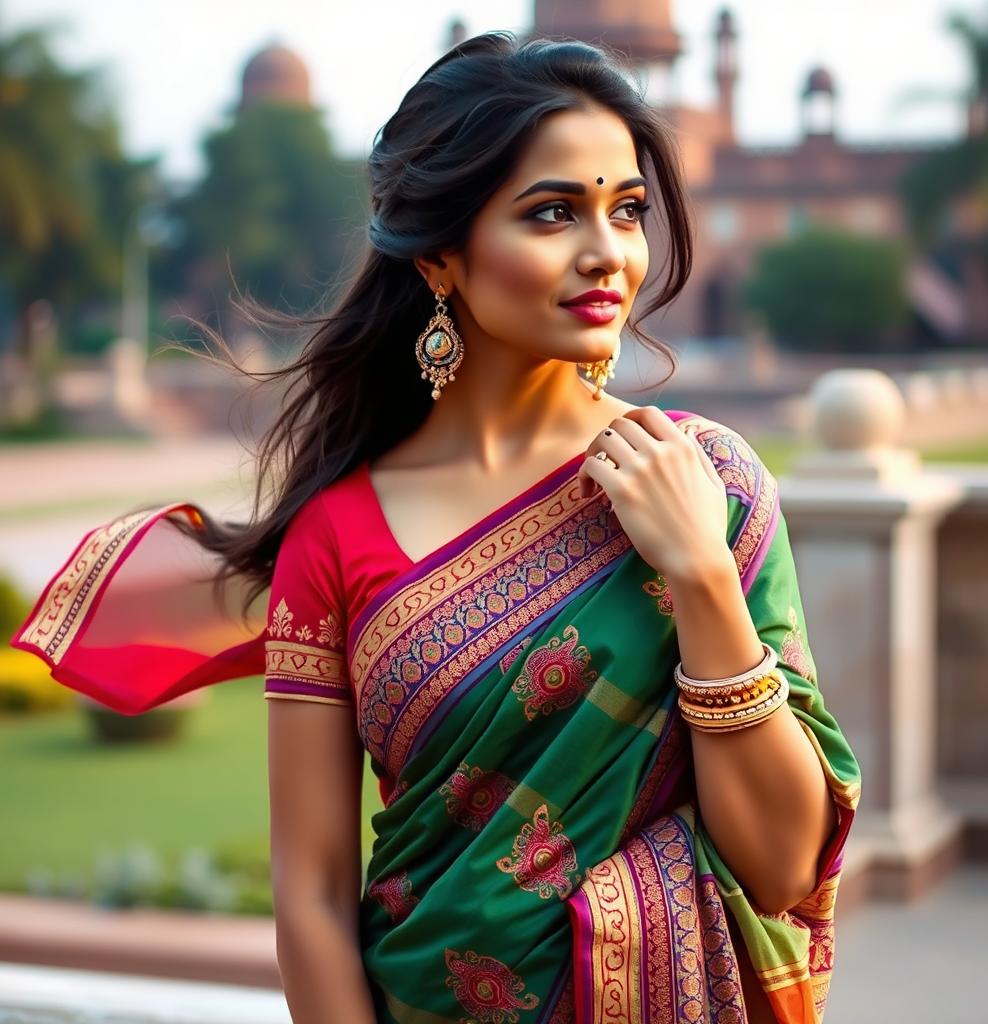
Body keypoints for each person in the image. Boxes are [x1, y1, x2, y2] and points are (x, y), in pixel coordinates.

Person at [11, 31, 861, 1024]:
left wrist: (704, 577)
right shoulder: (339, 535)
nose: (608, 253)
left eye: (625, 210)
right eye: (552, 212)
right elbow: (313, 898)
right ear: (443, 253)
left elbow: (782, 863)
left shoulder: (706, 481)